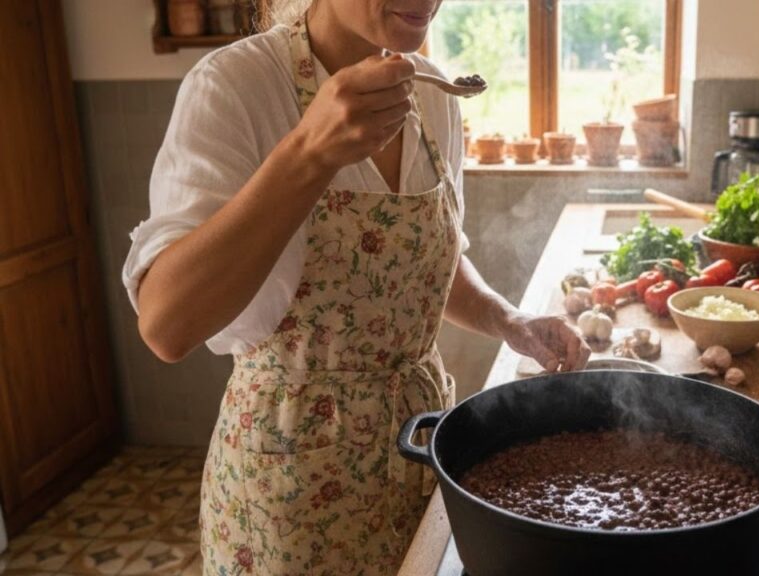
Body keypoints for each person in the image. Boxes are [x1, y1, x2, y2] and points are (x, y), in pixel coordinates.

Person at [122, 0, 590, 573]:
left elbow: (421, 257)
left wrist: (507, 319)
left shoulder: (433, 92)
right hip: (291, 486)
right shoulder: (235, 85)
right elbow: (167, 327)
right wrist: (309, 151)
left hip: (421, 450)